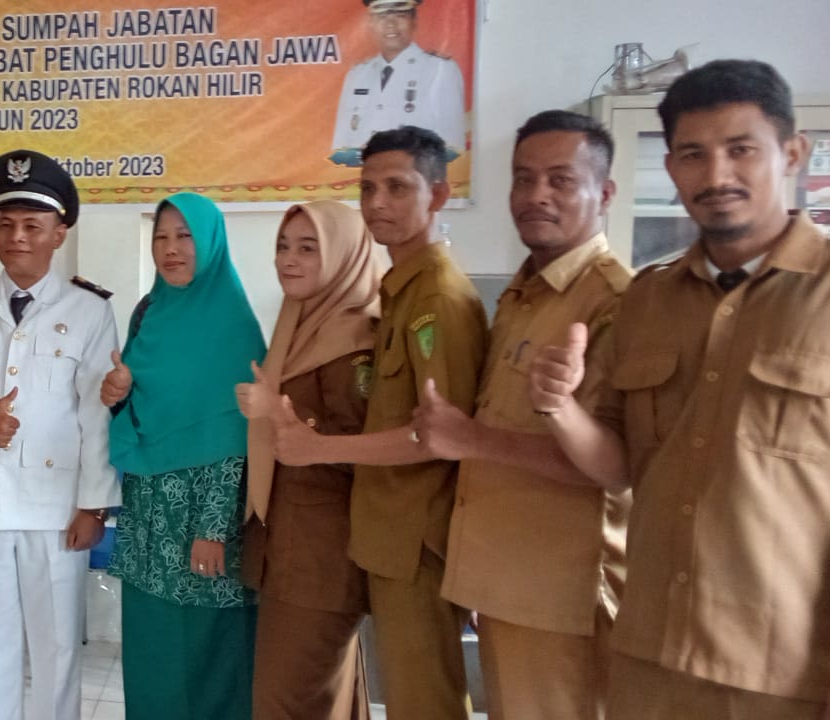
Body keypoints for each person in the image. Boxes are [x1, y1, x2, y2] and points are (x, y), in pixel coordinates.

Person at [532, 60, 830, 720]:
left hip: (785, 674)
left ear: (792, 154)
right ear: (670, 167)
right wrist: (559, 408)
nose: (717, 175)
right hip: (650, 656)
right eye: (694, 155)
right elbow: (620, 465)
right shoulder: (648, 299)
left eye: (741, 149)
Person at [410, 110, 632, 719]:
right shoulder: (525, 292)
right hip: (507, 579)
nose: (537, 195)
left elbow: (614, 465)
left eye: (561, 180)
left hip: (559, 594)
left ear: (605, 194)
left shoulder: (614, 302)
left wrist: (470, 439)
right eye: (523, 178)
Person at [265, 125, 487, 720]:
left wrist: (316, 447)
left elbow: (441, 436)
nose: (378, 203)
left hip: (417, 542)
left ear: (438, 194)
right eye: (368, 189)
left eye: (397, 187)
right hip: (387, 538)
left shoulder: (438, 299)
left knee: (425, 703)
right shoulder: (400, 293)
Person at [0, 149, 120, 720]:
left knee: (56, 650)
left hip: (56, 509)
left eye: (32, 226)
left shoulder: (88, 310)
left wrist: (94, 505)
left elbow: (95, 414)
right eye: (5, 224)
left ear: (59, 234)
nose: (16, 238)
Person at [102, 192, 263, 720]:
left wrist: (213, 529)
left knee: (209, 660)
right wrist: (117, 394)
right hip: (148, 521)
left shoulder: (233, 326)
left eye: (185, 236)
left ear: (211, 243)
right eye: (161, 237)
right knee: (153, 655)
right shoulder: (148, 315)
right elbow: (142, 411)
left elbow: (239, 436)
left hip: (203, 524)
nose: (171, 249)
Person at [237, 200, 380, 720]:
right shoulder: (301, 325)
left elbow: (368, 453)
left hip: (321, 560)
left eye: (307, 248)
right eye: (283, 246)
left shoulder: (355, 341)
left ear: (343, 255)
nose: (288, 260)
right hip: (294, 554)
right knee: (321, 699)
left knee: (287, 703)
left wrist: (278, 413)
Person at [330, 0, 465, 162]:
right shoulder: (357, 75)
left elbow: (452, 150)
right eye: (381, 17)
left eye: (400, 15)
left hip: (414, 175)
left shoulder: (440, 70)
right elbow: (341, 148)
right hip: (361, 174)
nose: (390, 24)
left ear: (414, 21)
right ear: (371, 23)